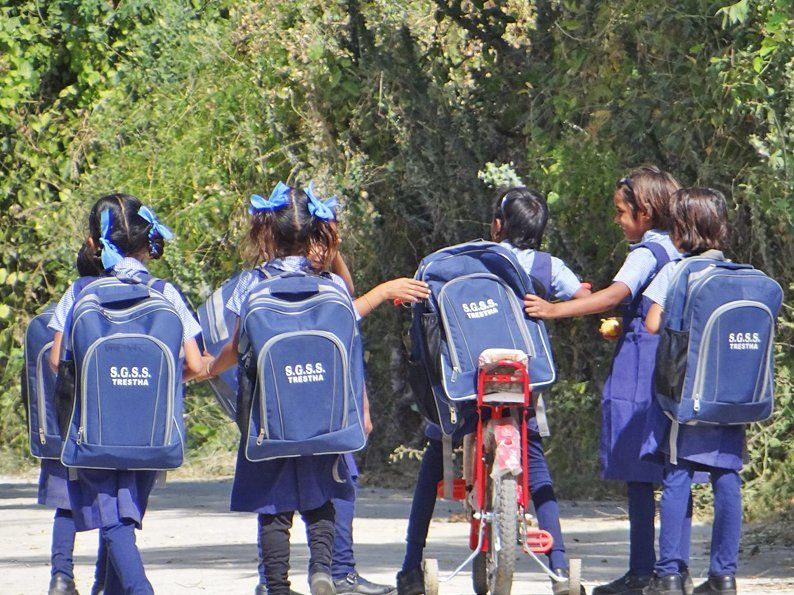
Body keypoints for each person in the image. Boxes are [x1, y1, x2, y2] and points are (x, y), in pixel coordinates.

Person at [205, 181, 429, 595]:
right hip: (324, 415)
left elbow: (236, 348)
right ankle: (322, 571)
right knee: (323, 496)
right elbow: (349, 332)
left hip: (269, 418)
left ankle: (276, 585)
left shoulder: (250, 285)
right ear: (315, 233)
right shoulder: (331, 288)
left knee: (274, 507)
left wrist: (208, 367)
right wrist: (360, 407)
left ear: (267, 231)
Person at [396, 187, 591, 595]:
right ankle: (558, 567)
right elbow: (583, 297)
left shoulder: (466, 261)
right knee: (534, 462)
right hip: (521, 387)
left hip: (466, 388)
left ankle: (411, 566)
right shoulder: (548, 266)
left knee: (435, 455)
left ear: (497, 226)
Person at [524, 167, 696, 595]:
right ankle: (676, 569)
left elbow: (614, 295)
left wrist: (553, 310)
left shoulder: (645, 253)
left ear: (645, 212)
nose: (617, 220)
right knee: (675, 469)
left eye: (621, 212)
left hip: (642, 368)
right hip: (678, 365)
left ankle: (641, 571)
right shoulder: (681, 247)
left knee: (638, 470)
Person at [48, 194, 207, 594]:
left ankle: (140, 589)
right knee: (123, 517)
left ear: (94, 243)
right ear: (147, 242)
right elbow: (195, 363)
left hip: (96, 427)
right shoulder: (166, 293)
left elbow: (56, 359)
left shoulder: (80, 292)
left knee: (112, 517)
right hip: (149, 429)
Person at [641, 188, 743, 595]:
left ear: (681, 230)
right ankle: (723, 575)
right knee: (727, 474)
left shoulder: (678, 271)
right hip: (731, 393)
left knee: (678, 472)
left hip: (686, 392)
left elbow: (652, 323)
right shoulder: (736, 273)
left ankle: (669, 573)